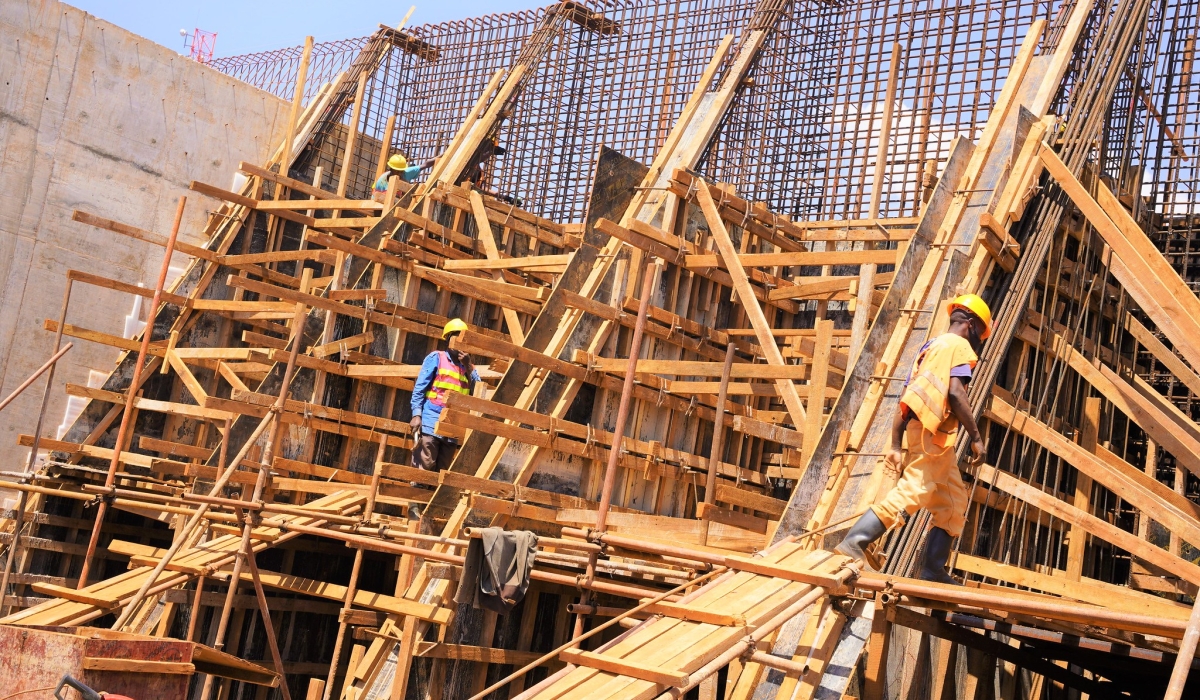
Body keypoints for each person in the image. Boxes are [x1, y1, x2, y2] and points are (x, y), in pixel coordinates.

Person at [835, 294, 993, 585]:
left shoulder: (931, 348)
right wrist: (976, 437)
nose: (977, 342)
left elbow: (908, 397)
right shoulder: (957, 346)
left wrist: (896, 443)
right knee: (915, 488)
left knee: (953, 502)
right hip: (931, 436)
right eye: (979, 335)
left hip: (928, 435)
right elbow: (957, 394)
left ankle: (933, 569)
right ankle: (854, 542)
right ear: (971, 325)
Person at [409, 319, 481, 474]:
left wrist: (469, 366)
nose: (460, 342)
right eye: (456, 337)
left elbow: (480, 391)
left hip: (453, 427)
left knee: (442, 471)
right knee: (425, 466)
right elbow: (419, 388)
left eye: (463, 338)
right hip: (431, 422)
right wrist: (416, 415)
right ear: (449, 339)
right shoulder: (437, 357)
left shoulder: (468, 367)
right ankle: (418, 494)